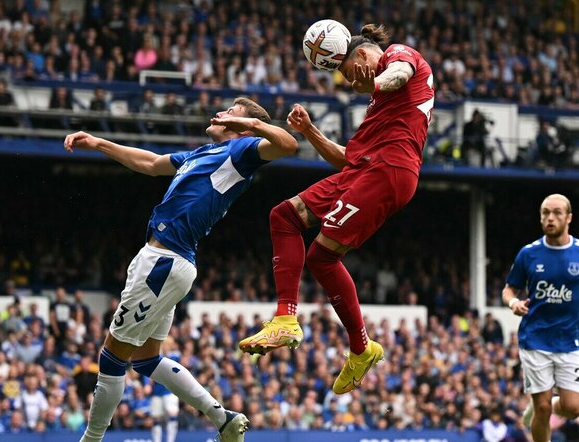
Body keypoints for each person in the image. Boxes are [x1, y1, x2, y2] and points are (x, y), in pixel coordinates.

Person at [63, 96, 297, 442]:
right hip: (168, 263)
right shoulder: (203, 153)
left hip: (164, 261)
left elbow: (288, 145)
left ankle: (92, 439)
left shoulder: (242, 152)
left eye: (230, 112)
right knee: (145, 359)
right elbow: (152, 162)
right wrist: (99, 143)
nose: (220, 113)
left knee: (112, 356)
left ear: (243, 124)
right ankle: (225, 420)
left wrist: (251, 126)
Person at [239, 24, 434, 396]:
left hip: (389, 170)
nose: (348, 83)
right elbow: (346, 159)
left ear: (361, 56)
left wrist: (376, 82)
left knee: (323, 257)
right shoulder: (378, 109)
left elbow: (397, 76)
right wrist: (310, 131)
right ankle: (285, 319)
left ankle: (361, 348)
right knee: (283, 215)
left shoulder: (398, 56)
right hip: (363, 170)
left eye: (345, 74)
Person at [502, 194, 579, 442]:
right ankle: (539, 407)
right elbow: (509, 289)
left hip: (571, 340)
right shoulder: (529, 254)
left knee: (572, 407)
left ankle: (542, 406)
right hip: (535, 338)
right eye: (546, 212)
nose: (550, 218)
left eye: (557, 213)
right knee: (543, 407)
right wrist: (513, 302)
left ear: (569, 218)